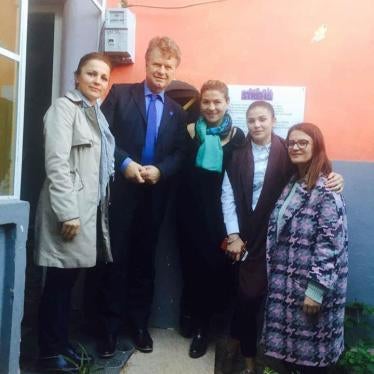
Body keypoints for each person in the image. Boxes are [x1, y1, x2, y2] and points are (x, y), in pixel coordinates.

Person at [221, 101, 344, 374]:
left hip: (281, 246)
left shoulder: (287, 153)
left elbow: (316, 169)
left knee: (275, 306)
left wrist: (335, 177)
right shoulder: (238, 154)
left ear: (274, 120)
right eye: (251, 120)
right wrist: (233, 234)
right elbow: (227, 195)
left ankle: (258, 356)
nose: (257, 125)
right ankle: (247, 357)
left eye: (262, 119)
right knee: (247, 297)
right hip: (246, 240)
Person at [96, 36, 187, 357]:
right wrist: (124, 163)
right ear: (146, 63)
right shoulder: (120, 95)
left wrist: (161, 171)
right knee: (114, 261)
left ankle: (138, 326)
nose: (161, 71)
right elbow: (102, 135)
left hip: (154, 199)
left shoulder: (177, 112)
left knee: (144, 264)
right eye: (157, 64)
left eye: (168, 66)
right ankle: (107, 330)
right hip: (120, 195)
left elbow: (180, 153)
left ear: (175, 70)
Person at [34, 52, 114, 372]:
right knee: (57, 284)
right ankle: (48, 355)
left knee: (67, 284)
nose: (97, 81)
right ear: (77, 76)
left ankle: (60, 343)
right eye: (91, 74)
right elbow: (56, 163)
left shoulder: (94, 112)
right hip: (66, 214)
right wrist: (68, 213)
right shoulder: (63, 109)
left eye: (103, 77)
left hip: (86, 214)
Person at [262, 122, 348, 373]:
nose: (295, 147)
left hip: (308, 290)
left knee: (313, 361)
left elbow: (330, 245)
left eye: (303, 142)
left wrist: (316, 290)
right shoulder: (293, 181)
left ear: (316, 146)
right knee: (292, 358)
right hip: (288, 285)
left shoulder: (326, 188)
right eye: (291, 143)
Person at [177, 80, 245, 358]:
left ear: (227, 102)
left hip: (224, 217)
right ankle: (197, 325)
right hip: (190, 215)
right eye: (206, 102)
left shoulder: (239, 136)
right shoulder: (191, 131)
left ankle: (213, 329)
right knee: (193, 270)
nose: (211, 107)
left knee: (220, 274)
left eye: (217, 102)